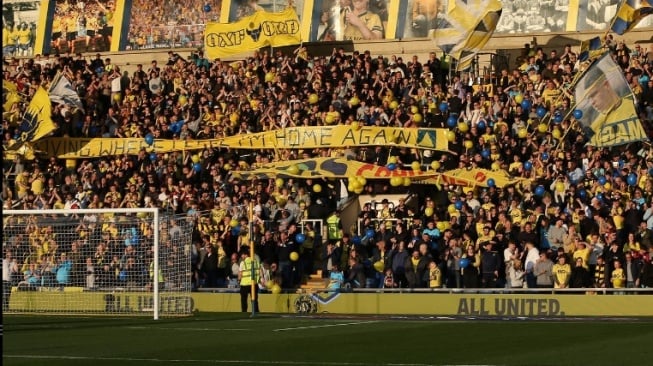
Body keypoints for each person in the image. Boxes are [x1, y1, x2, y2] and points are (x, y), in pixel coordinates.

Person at [238, 246, 262, 313]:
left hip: (244, 284)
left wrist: (239, 280)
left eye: (242, 255)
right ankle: (256, 311)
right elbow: (260, 271)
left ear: (245, 255)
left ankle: (244, 312)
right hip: (254, 284)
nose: (241, 256)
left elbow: (240, 274)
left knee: (244, 300)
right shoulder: (255, 261)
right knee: (254, 299)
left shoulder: (243, 263)